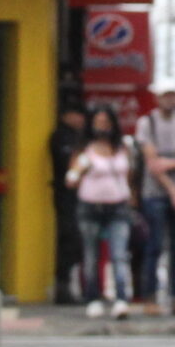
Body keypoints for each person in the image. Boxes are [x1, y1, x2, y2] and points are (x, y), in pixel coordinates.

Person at [135, 81, 175, 315]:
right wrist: (173, 191)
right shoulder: (147, 124)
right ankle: (150, 297)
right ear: (157, 98)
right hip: (156, 194)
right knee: (154, 246)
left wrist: (170, 163)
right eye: (166, 95)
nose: (170, 100)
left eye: (173, 95)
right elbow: (152, 164)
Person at [66, 129, 135, 318]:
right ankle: (93, 298)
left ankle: (121, 299)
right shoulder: (86, 154)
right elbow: (71, 179)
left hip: (118, 207)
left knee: (119, 254)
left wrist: (130, 198)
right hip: (91, 207)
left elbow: (129, 176)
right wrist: (78, 173)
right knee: (91, 255)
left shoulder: (122, 150)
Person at [48, 103, 89, 304]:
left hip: (80, 196)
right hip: (66, 195)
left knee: (79, 241)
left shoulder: (79, 137)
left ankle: (74, 286)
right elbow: (68, 165)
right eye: (76, 114)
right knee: (69, 239)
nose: (80, 119)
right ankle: (63, 287)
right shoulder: (61, 137)